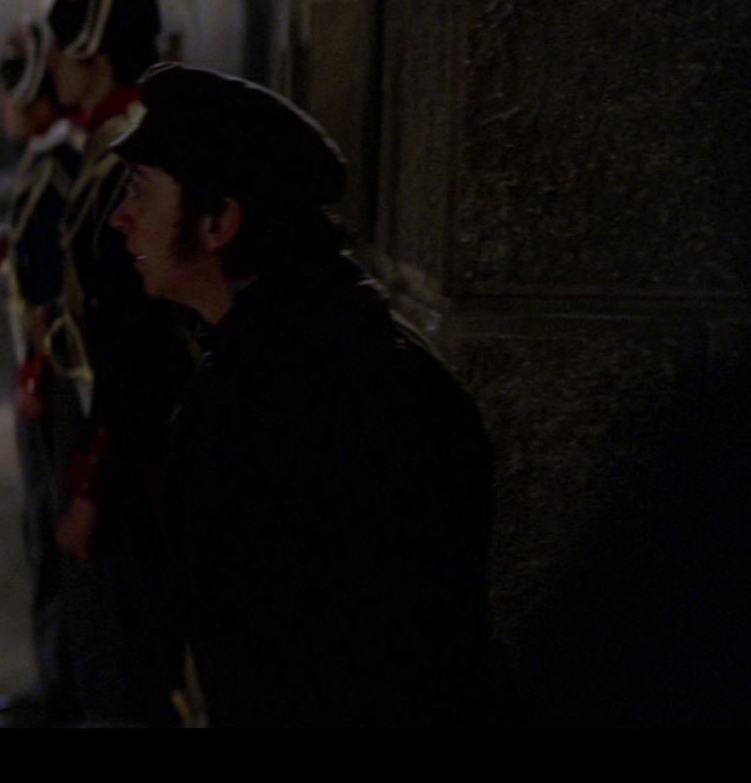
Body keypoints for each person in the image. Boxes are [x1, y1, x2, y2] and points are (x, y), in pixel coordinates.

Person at [108, 62, 499, 726]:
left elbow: (339, 664)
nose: (121, 218)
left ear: (219, 222)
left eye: (141, 190)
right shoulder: (276, 349)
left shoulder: (322, 394)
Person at [44, 0, 195, 726]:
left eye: (61, 47)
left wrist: (94, 482)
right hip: (119, 425)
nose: (51, 64)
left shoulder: (126, 155)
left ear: (94, 55)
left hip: (131, 443)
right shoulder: (114, 140)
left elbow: (134, 340)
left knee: (128, 663)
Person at [0, 18, 85, 726]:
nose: (1, 105)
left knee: (52, 530)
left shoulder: (58, 171)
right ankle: (56, 674)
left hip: (51, 380)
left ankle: (61, 683)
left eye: (10, 88)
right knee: (41, 527)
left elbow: (54, 288)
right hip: (39, 372)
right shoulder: (47, 165)